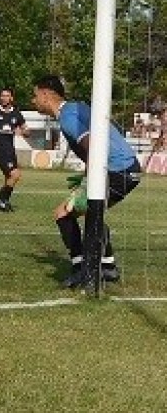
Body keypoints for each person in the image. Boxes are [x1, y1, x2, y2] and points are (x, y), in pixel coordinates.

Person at [31, 75, 141, 288]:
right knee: (93, 213)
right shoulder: (75, 109)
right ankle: (107, 267)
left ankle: (81, 268)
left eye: (35, 95)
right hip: (126, 168)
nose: (33, 100)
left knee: (64, 213)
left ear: (46, 94)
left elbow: (93, 146)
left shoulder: (67, 116)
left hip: (118, 169)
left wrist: (86, 183)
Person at [0, 88, 29, 212]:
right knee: (15, 174)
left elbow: (26, 130)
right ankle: (1, 201)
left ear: (11, 98)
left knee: (9, 177)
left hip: (10, 149)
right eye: (2, 96)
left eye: (7, 96)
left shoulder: (16, 114)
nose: (4, 98)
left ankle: (0, 202)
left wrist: (23, 132)